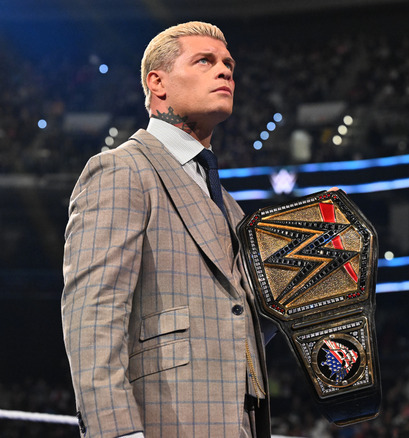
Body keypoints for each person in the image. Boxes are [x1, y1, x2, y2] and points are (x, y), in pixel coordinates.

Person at [61, 21, 277, 438]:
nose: (225, 71)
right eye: (205, 61)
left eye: (228, 64)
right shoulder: (120, 170)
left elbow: (231, 327)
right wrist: (117, 432)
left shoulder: (231, 207)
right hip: (163, 422)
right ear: (157, 83)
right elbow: (92, 314)